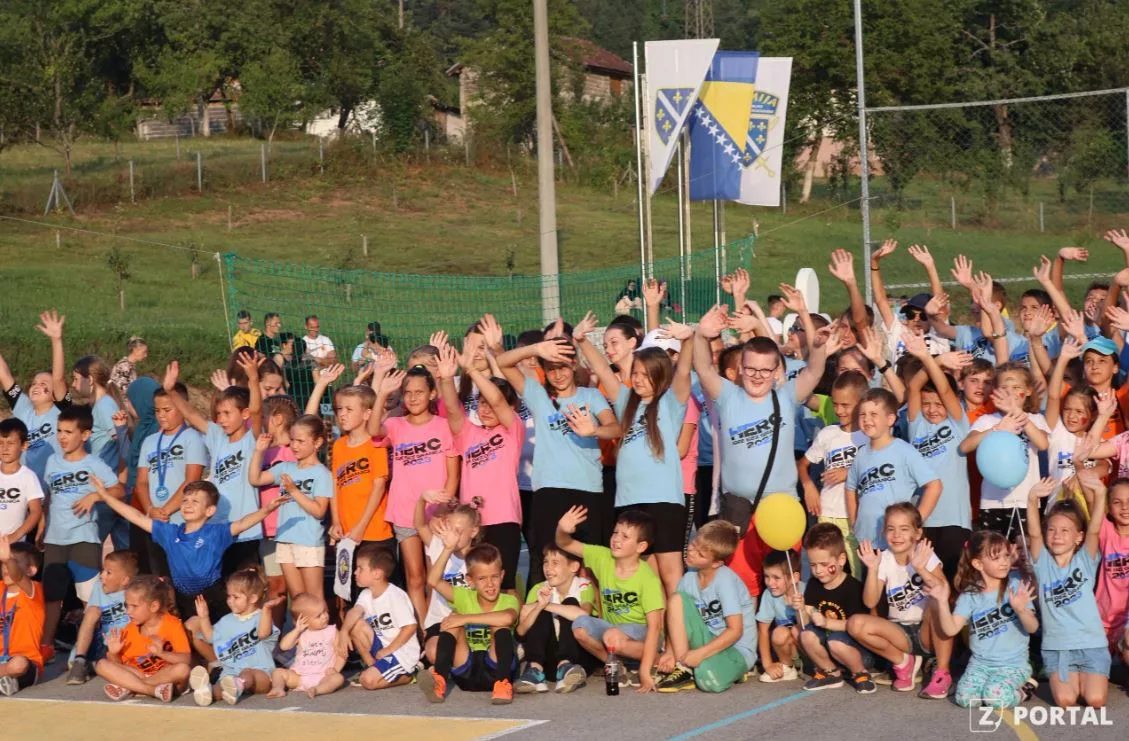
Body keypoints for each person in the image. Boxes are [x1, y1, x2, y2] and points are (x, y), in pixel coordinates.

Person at [692, 305, 836, 598]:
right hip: (739, 513)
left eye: (765, 370)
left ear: (776, 371)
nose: (757, 376)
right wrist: (700, 335)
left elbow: (813, 371)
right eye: (751, 369)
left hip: (782, 510)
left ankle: (784, 639)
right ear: (741, 369)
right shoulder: (728, 396)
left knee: (785, 588)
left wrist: (818, 348)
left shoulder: (785, 396)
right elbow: (704, 368)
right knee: (742, 588)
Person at [576, 313, 694, 595]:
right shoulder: (627, 401)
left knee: (670, 572)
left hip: (664, 499)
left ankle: (681, 633)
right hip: (629, 499)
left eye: (645, 374)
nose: (638, 380)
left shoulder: (671, 401)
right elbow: (603, 370)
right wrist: (580, 340)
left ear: (659, 374)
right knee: (645, 575)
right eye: (636, 374)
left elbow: (684, 372)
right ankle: (654, 632)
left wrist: (687, 340)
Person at [496, 323, 620, 589]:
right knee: (547, 559)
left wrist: (593, 430)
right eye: (551, 368)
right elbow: (503, 363)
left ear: (574, 365)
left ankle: (591, 620)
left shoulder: (591, 396)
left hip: (587, 489)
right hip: (549, 490)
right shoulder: (539, 396)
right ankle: (542, 622)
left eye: (563, 366)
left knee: (589, 562)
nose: (558, 374)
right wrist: (537, 347)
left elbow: (616, 427)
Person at [92, 479, 285, 633]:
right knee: (178, 633)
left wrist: (267, 510)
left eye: (195, 501)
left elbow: (243, 523)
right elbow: (137, 517)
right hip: (182, 597)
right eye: (185, 500)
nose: (188, 504)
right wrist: (106, 497)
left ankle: (216, 664)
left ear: (210, 510)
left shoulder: (217, 532)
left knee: (197, 629)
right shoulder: (170, 532)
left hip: (213, 596)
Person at [368, 364, 460, 631]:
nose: (413, 397)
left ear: (432, 394)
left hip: (437, 516)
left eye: (420, 392)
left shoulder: (444, 427)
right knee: (415, 577)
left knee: (436, 575)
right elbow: (374, 430)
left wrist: (443, 507)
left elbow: (453, 475)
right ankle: (423, 632)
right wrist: (383, 394)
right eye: (408, 392)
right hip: (405, 511)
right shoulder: (395, 424)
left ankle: (439, 630)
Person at [435, 343, 524, 594]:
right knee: (474, 584)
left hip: (503, 518)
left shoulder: (512, 429)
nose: (486, 408)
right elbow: (452, 410)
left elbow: (497, 399)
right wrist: (445, 378)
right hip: (471, 522)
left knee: (503, 585)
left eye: (491, 404)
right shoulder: (469, 434)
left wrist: (472, 369)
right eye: (481, 403)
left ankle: (508, 631)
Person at [162, 360, 264, 573]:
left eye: (227, 414)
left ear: (243, 414)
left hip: (246, 530)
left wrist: (253, 379)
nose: (221, 419)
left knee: (245, 588)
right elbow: (191, 415)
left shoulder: (251, 439)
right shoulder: (218, 436)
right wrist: (170, 390)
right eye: (219, 414)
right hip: (217, 530)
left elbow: (256, 411)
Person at [848, 504, 954, 698]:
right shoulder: (884, 559)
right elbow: (870, 601)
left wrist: (920, 568)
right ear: (884, 532)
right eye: (891, 529)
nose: (897, 535)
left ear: (917, 533)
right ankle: (903, 663)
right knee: (855, 623)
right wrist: (872, 569)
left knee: (936, 600)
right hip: (900, 634)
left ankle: (942, 673)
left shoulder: (924, 554)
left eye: (904, 529)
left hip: (928, 632)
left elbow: (943, 591)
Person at [41, 404, 123, 654]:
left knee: (90, 598)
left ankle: (95, 647)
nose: (62, 437)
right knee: (52, 598)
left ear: (85, 435)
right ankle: (44, 647)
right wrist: (42, 528)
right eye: (59, 431)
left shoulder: (93, 463)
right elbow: (48, 498)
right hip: (55, 540)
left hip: (84, 539)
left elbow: (119, 489)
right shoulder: (52, 462)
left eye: (68, 431)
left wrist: (95, 497)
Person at [307, 378, 393, 616]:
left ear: (367, 413)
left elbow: (378, 487)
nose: (341, 415)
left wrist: (360, 526)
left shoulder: (375, 444)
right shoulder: (341, 445)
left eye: (348, 409)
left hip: (374, 532)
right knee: (351, 592)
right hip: (347, 533)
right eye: (339, 409)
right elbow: (335, 484)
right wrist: (336, 521)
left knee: (377, 593)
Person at [556, 506, 665, 693]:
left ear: (641, 547)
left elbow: (655, 626)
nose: (616, 539)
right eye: (615, 533)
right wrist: (562, 529)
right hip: (613, 631)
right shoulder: (602, 557)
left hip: (642, 633)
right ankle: (615, 665)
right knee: (580, 628)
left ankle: (655, 659)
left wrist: (645, 673)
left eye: (625, 536)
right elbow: (564, 543)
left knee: (611, 636)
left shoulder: (648, 579)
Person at [927, 531, 1040, 709]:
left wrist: (1021, 610)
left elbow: (1033, 627)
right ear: (978, 564)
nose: (1004, 562)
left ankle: (1024, 689)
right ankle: (989, 686)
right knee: (964, 699)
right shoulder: (970, 594)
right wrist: (941, 602)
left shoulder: (1016, 584)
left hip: (1013, 664)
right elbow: (950, 630)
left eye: (1005, 555)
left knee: (995, 698)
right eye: (996, 558)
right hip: (980, 664)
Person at [1026, 474, 1109, 708]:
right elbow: (1033, 533)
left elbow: (1094, 529)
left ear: (1078, 537)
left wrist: (1101, 494)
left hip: (1092, 644)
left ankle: (1091, 676)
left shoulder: (1085, 560)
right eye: (1051, 530)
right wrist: (1032, 499)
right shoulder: (1042, 563)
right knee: (1066, 700)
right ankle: (1073, 679)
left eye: (1065, 531)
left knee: (1095, 699)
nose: (1057, 536)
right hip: (1058, 648)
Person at [654, 520, 756, 693]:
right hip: (707, 642)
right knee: (676, 600)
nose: (692, 552)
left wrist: (700, 654)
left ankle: (734, 670)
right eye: (693, 544)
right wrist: (670, 652)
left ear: (716, 563)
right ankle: (684, 666)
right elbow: (676, 618)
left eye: (700, 554)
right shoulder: (688, 579)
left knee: (709, 682)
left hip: (736, 649)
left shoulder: (725, 581)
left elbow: (735, 631)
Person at [902, 333, 972, 581]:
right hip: (923, 517)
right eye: (927, 403)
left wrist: (933, 362)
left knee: (953, 579)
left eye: (938, 404)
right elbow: (913, 387)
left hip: (954, 518)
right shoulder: (916, 424)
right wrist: (937, 360)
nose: (932, 409)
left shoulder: (957, 423)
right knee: (926, 581)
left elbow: (943, 387)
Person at [419, 537, 520, 705]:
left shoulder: (508, 600)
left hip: (495, 670)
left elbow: (508, 617)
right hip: (466, 670)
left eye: (494, 577)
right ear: (470, 581)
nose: (490, 584)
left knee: (500, 626)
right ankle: (439, 680)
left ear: (502, 575)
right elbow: (433, 581)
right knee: (452, 624)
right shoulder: (465, 597)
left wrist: (464, 618)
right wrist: (448, 549)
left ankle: (503, 685)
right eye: (482, 578)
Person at [959, 363, 1050, 536]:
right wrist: (997, 429)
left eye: (1016, 388)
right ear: (995, 391)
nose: (1010, 393)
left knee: (1023, 556)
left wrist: (1017, 412)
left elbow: (1043, 444)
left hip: (1027, 501)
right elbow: (965, 446)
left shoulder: (1034, 419)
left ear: (1029, 391)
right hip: (992, 502)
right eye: (1004, 388)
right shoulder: (987, 420)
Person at [845, 388, 941, 551]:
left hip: (893, 544)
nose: (867, 420)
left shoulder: (904, 450)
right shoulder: (861, 453)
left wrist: (913, 524)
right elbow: (850, 488)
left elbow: (935, 486)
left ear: (890, 419)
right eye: (863, 415)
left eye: (873, 414)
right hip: (865, 542)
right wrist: (855, 522)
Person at [248, 416, 332, 600]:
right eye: (292, 440)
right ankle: (299, 629)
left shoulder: (322, 474)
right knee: (298, 599)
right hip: (285, 540)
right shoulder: (286, 467)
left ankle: (323, 630)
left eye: (301, 441)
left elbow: (319, 511)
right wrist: (258, 452)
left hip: (308, 542)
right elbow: (255, 479)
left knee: (314, 598)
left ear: (317, 442)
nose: (294, 445)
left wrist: (294, 491)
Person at [800, 370, 869, 578]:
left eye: (845, 405)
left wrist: (849, 473)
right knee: (827, 571)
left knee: (857, 573)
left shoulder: (870, 435)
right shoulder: (828, 433)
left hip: (857, 516)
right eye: (835, 404)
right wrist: (808, 486)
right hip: (828, 512)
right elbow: (803, 464)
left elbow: (878, 467)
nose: (839, 410)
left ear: (861, 402)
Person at [135, 382, 207, 578]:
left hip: (181, 521)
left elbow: (191, 481)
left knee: (185, 577)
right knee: (161, 579)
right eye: (157, 410)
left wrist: (165, 510)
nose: (161, 415)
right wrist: (150, 510)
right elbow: (141, 482)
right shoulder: (150, 441)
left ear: (182, 406)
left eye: (167, 409)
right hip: (156, 523)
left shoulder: (192, 438)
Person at [795, 522, 875, 693]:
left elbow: (857, 626)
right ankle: (831, 672)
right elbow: (805, 621)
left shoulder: (852, 588)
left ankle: (861, 673)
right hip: (830, 647)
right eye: (813, 565)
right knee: (806, 634)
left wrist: (826, 622)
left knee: (835, 641)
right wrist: (800, 609)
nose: (818, 571)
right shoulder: (814, 584)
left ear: (841, 560)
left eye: (824, 564)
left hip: (857, 650)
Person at [188, 568, 282, 706]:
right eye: (229, 596)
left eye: (236, 597)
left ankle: (238, 684)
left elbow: (263, 634)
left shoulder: (261, 617)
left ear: (253, 598)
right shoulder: (227, 620)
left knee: (247, 673)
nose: (230, 601)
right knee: (223, 686)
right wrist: (204, 617)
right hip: (231, 672)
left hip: (261, 673)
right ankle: (208, 691)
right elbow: (210, 637)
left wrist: (267, 609)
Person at [0, 310, 70, 488]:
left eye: (43, 383)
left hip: (55, 488)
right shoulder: (24, 408)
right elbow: (4, 375)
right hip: (28, 489)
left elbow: (59, 378)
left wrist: (56, 340)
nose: (36, 385)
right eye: (33, 383)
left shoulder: (61, 411)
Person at [94, 575, 191, 702]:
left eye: (134, 606)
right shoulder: (129, 630)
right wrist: (114, 653)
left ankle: (132, 688)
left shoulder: (172, 624)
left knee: (183, 669)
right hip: (139, 674)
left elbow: (186, 659)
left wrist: (162, 653)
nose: (128, 612)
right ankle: (151, 691)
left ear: (154, 606)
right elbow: (120, 667)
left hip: (165, 675)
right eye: (127, 606)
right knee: (101, 665)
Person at [515, 543, 596, 694]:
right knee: (540, 610)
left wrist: (546, 605)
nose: (548, 568)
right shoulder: (539, 588)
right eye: (546, 562)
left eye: (555, 563)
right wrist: (539, 606)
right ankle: (535, 671)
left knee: (569, 603)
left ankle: (565, 666)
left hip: (578, 657)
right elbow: (520, 632)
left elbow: (584, 615)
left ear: (573, 567)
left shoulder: (583, 586)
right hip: (548, 658)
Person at [341, 544, 420, 691]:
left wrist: (389, 649)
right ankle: (372, 666)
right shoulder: (366, 594)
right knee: (355, 623)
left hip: (400, 652)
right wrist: (343, 632)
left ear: (377, 573)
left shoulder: (395, 595)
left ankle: (410, 675)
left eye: (360, 569)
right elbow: (355, 612)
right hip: (382, 648)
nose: (355, 573)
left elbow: (410, 627)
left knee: (368, 682)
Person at [415, 492, 482, 664]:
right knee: (433, 652)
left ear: (473, 531)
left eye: (458, 531)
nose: (452, 535)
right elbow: (420, 525)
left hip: (470, 620)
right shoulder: (439, 545)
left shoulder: (480, 558)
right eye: (449, 528)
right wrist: (422, 499)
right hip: (440, 620)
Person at [66, 550, 137, 685]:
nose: (102, 575)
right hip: (103, 643)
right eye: (103, 570)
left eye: (108, 572)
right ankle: (80, 661)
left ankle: (94, 665)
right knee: (92, 611)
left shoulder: (133, 592)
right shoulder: (99, 588)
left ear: (124, 580)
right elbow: (91, 616)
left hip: (126, 643)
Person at [267, 593, 345, 699]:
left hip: (323, 676)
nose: (325, 616)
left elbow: (342, 654)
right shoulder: (301, 633)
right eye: (318, 615)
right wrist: (297, 630)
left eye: (325, 611)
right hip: (299, 676)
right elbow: (284, 646)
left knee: (338, 678)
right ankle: (278, 688)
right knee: (277, 672)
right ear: (304, 620)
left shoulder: (332, 631)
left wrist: (335, 669)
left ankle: (317, 690)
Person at [0, 537, 44, 696]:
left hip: (25, 663)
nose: (7, 567)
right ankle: (5, 680)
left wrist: (8, 560)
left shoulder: (34, 592)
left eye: (14, 562)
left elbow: (18, 577)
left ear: (31, 571)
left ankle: (7, 678)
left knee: (18, 664)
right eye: (4, 562)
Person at [756, 550, 804, 684]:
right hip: (790, 649)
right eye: (766, 576)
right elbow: (763, 630)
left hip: (808, 648)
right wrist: (767, 664)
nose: (770, 583)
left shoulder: (806, 591)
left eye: (776, 578)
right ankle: (787, 667)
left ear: (794, 577)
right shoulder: (769, 595)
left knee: (797, 630)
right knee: (779, 633)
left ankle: (819, 665)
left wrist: (801, 608)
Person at [0, 419, 44, 542]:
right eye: (1, 443)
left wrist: (14, 536)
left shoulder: (28, 477)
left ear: (24, 446)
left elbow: (35, 512)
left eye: (10, 443)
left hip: (14, 546)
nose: (4, 448)